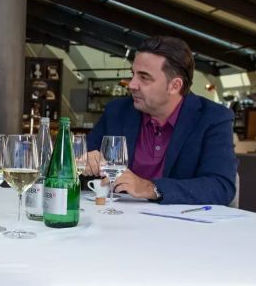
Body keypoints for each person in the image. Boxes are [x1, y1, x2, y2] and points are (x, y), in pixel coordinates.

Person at [86, 36, 237, 205]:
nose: (132, 85)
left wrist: (149, 188)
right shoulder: (117, 111)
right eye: (133, 74)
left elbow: (221, 186)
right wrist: (85, 160)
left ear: (175, 86)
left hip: (181, 227)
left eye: (144, 77)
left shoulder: (213, 118)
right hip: (118, 221)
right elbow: (78, 163)